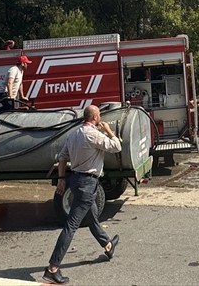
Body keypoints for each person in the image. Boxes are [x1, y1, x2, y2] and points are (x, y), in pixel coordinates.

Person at [44, 105, 121, 284]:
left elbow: (62, 157)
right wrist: (109, 130)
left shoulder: (74, 134)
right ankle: (52, 268)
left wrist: (62, 178)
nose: (100, 117)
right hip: (88, 184)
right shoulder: (93, 134)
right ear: (94, 117)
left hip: (77, 181)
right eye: (99, 115)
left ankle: (108, 246)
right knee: (71, 226)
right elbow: (116, 146)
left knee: (92, 217)